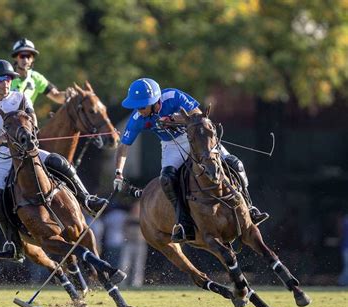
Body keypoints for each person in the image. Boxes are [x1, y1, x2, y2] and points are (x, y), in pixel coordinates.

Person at [0, 59, 107, 263]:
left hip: (27, 153)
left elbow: (32, 123)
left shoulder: (20, 98)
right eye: (1, 79)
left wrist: (11, 136)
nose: (6, 83)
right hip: (0, 159)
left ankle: (87, 199)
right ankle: (14, 244)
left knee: (59, 162)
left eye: (9, 79)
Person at [113, 78, 269, 243]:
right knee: (167, 179)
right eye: (136, 106)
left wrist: (173, 119)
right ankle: (183, 223)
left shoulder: (173, 96)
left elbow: (199, 115)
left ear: (154, 101)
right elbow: (124, 145)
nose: (139, 110)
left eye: (142, 106)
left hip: (196, 137)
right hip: (171, 145)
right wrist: (118, 173)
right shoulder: (138, 118)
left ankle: (250, 207)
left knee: (235, 164)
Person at [10, 38, 68, 107]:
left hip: (27, 116)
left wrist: (68, 94)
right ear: (15, 58)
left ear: (32, 59)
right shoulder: (5, 77)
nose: (25, 60)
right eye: (22, 56)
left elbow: (56, 96)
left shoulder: (37, 78)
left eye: (28, 56)